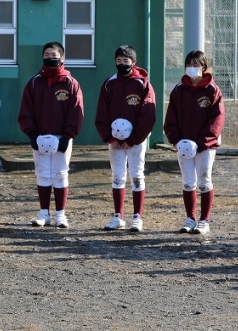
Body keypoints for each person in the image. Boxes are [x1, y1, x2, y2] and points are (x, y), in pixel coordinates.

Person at [18, 41, 84, 229]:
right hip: (40, 138)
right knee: (43, 174)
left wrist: (68, 136)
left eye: (54, 55)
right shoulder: (34, 83)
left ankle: (60, 214)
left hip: (61, 138)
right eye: (46, 55)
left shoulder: (71, 83)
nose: (50, 58)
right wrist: (31, 134)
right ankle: (44, 213)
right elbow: (26, 111)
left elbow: (76, 112)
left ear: (62, 57)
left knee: (60, 174)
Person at [95, 45, 156, 232]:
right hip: (115, 142)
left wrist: (134, 138)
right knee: (117, 176)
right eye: (119, 61)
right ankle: (118, 216)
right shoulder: (109, 84)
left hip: (135, 141)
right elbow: (102, 113)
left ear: (134, 62)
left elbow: (148, 114)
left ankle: (137, 217)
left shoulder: (142, 84)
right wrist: (109, 137)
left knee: (137, 175)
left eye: (126, 60)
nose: (122, 64)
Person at [164, 50, 224, 235]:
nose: (191, 68)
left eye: (195, 65)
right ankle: (190, 218)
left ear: (204, 67)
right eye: (189, 65)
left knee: (204, 180)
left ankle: (204, 220)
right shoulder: (179, 90)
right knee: (188, 182)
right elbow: (171, 118)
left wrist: (202, 142)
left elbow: (217, 119)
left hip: (205, 145)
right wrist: (176, 141)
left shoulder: (212, 90)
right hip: (184, 145)